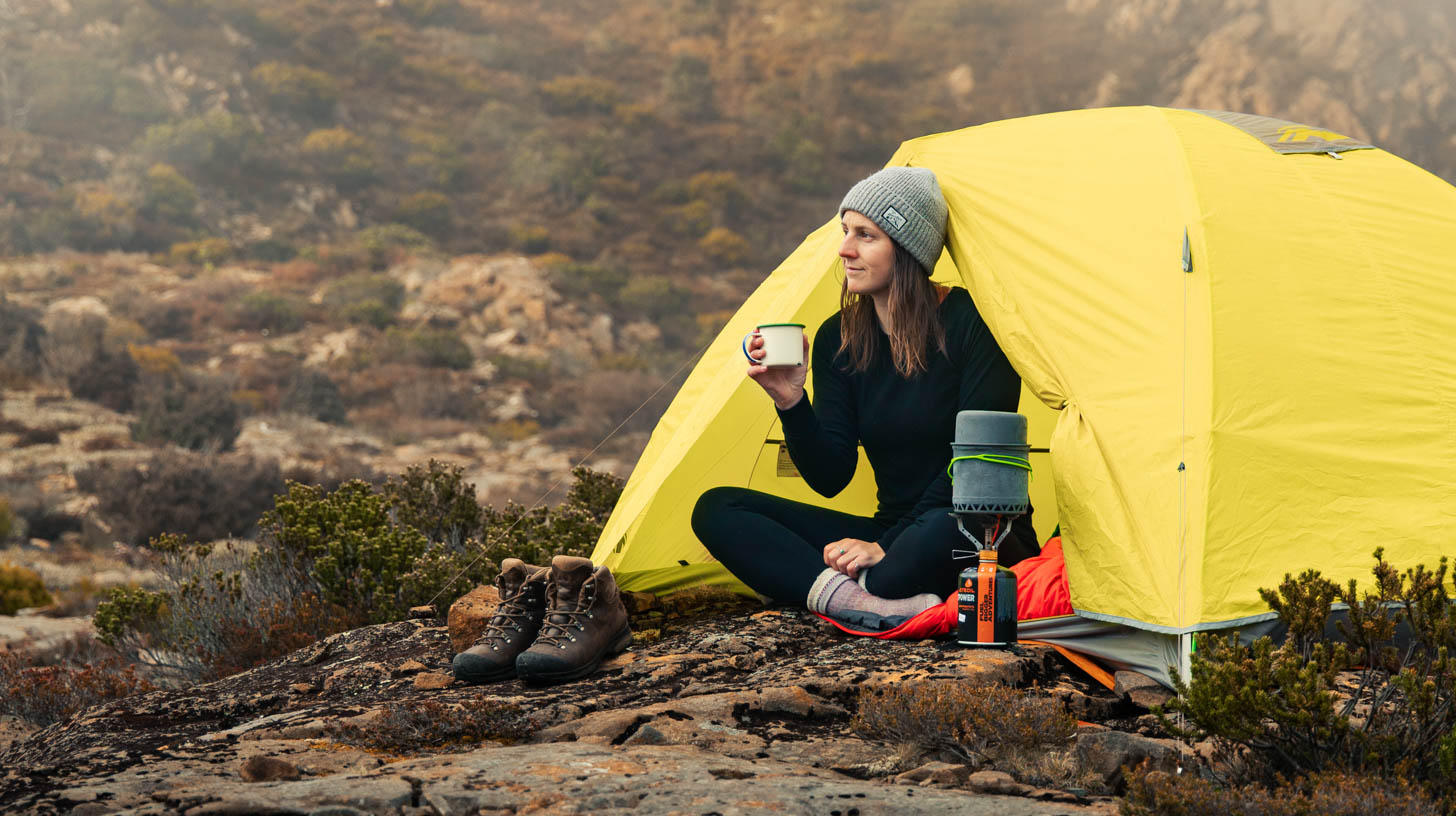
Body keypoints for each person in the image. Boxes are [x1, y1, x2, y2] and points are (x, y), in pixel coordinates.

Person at [691, 167, 1038, 622]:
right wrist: (790, 400)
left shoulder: (974, 324)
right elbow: (831, 476)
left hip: (969, 525)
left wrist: (883, 547)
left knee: (924, 542)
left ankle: (852, 585)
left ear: (908, 249)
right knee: (717, 508)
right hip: (891, 529)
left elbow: (974, 465)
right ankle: (858, 602)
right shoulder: (840, 337)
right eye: (845, 232)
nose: (844, 249)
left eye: (865, 235)